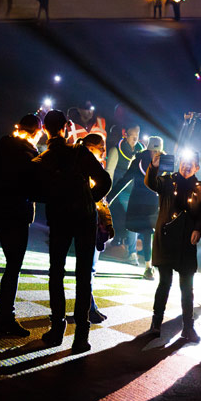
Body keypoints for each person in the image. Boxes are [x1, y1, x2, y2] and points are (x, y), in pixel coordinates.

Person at [32, 110, 111, 352]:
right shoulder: (80, 153)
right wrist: (89, 198)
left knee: (56, 272)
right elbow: (105, 180)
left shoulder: (44, 159)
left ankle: (57, 330)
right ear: (67, 126)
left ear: (45, 129)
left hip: (59, 218)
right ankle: (81, 336)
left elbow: (35, 192)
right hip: (85, 217)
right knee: (83, 274)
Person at [142, 149, 201, 341]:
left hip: (187, 242)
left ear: (197, 167)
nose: (186, 166)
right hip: (167, 238)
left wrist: (198, 229)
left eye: (191, 164)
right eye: (184, 162)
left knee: (187, 288)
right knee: (164, 283)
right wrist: (153, 167)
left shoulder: (200, 188)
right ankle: (156, 323)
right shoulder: (168, 180)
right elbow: (151, 183)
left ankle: (188, 327)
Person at [0, 114, 42, 337]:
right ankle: (5, 315)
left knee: (11, 263)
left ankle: (3, 313)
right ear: (37, 132)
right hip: (17, 212)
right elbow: (34, 187)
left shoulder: (3, 144)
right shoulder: (30, 153)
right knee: (13, 265)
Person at [109, 136, 162, 278]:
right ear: (148, 149)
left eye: (157, 151)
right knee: (141, 230)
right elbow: (124, 180)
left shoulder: (164, 164)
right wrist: (109, 198)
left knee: (148, 233)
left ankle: (148, 266)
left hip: (154, 203)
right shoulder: (139, 160)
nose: (155, 153)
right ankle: (136, 257)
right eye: (152, 150)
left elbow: (169, 185)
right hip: (138, 202)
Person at [78, 133, 114, 324]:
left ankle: (88, 307)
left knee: (89, 268)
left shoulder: (86, 164)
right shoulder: (88, 167)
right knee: (88, 268)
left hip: (94, 220)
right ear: (91, 147)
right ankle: (87, 309)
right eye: (101, 148)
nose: (103, 152)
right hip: (89, 221)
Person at [105, 125, 145, 256]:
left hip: (134, 190)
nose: (135, 139)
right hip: (119, 189)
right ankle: (116, 244)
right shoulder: (116, 150)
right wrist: (107, 192)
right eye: (133, 136)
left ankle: (132, 251)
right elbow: (109, 172)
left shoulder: (141, 151)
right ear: (125, 135)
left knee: (135, 217)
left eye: (137, 136)